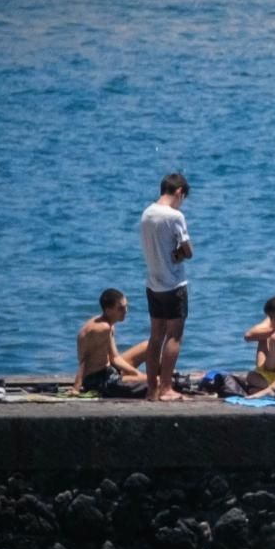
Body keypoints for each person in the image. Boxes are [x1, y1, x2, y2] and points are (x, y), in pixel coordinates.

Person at [140, 172, 192, 402]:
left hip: (153, 283)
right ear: (179, 192)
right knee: (174, 336)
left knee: (155, 337)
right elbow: (187, 251)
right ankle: (166, 387)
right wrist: (179, 254)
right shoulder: (175, 216)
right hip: (173, 284)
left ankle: (152, 388)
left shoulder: (147, 214)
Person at [72, 288, 149, 398]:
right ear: (108, 310)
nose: (126, 311)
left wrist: (136, 373)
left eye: (126, 306)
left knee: (148, 346)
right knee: (154, 383)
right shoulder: (102, 328)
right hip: (100, 380)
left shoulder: (108, 323)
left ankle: (160, 376)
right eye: (121, 308)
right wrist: (76, 387)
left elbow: (114, 357)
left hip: (109, 369)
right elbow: (85, 360)